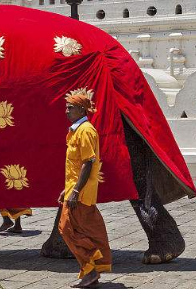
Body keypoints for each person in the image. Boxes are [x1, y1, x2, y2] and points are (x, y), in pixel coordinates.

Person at [58, 92, 111, 288]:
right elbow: (76, 165)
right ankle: (91, 268)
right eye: (66, 107)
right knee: (72, 229)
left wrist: (76, 191)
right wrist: (68, 189)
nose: (67, 111)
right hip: (75, 190)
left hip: (82, 193)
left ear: (81, 109)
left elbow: (88, 163)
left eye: (70, 107)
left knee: (66, 229)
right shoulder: (76, 131)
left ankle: (91, 265)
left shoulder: (86, 131)